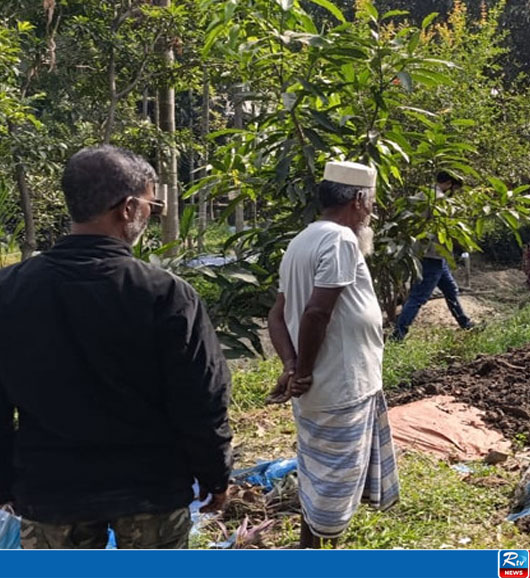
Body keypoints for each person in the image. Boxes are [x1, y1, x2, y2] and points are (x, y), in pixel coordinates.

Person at [0, 145, 232, 549]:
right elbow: (201, 397)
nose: (149, 214)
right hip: (150, 489)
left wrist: (4, 480)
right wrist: (215, 475)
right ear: (127, 208)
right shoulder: (164, 294)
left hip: (51, 489)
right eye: (150, 204)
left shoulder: (10, 291)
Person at [268, 160, 399, 548]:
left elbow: (276, 315)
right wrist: (303, 370)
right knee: (334, 489)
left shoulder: (301, 240)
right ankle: (320, 555)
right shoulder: (340, 240)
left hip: (325, 386)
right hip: (339, 386)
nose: (372, 210)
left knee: (317, 477)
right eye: (371, 202)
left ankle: (311, 550)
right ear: (359, 199)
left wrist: (291, 367)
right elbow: (316, 312)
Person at [390, 171, 474, 341]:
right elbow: (447, 228)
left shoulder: (422, 194)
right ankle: (398, 335)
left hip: (427, 253)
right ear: (450, 183)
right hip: (432, 255)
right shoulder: (440, 200)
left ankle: (465, 323)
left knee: (451, 290)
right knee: (418, 297)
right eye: (455, 188)